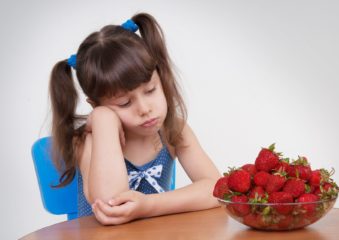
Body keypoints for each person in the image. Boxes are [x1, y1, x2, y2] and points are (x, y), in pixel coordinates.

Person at [49, 12, 220, 225]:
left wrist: (148, 206)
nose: (145, 109)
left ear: (160, 77)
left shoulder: (172, 130)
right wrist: (103, 120)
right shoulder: (87, 140)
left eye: (150, 90)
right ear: (95, 105)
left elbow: (217, 189)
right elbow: (110, 203)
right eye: (124, 103)